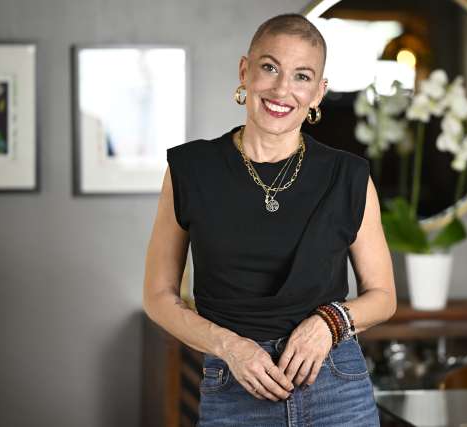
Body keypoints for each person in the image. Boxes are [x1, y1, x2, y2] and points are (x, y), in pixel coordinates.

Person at [143, 13, 396, 426]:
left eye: (301, 77)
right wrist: (230, 347)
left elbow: (383, 295)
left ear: (318, 93)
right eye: (269, 68)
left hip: (336, 387)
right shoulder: (190, 168)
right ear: (245, 71)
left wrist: (328, 324)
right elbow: (157, 296)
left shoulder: (348, 176)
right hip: (233, 387)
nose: (283, 89)